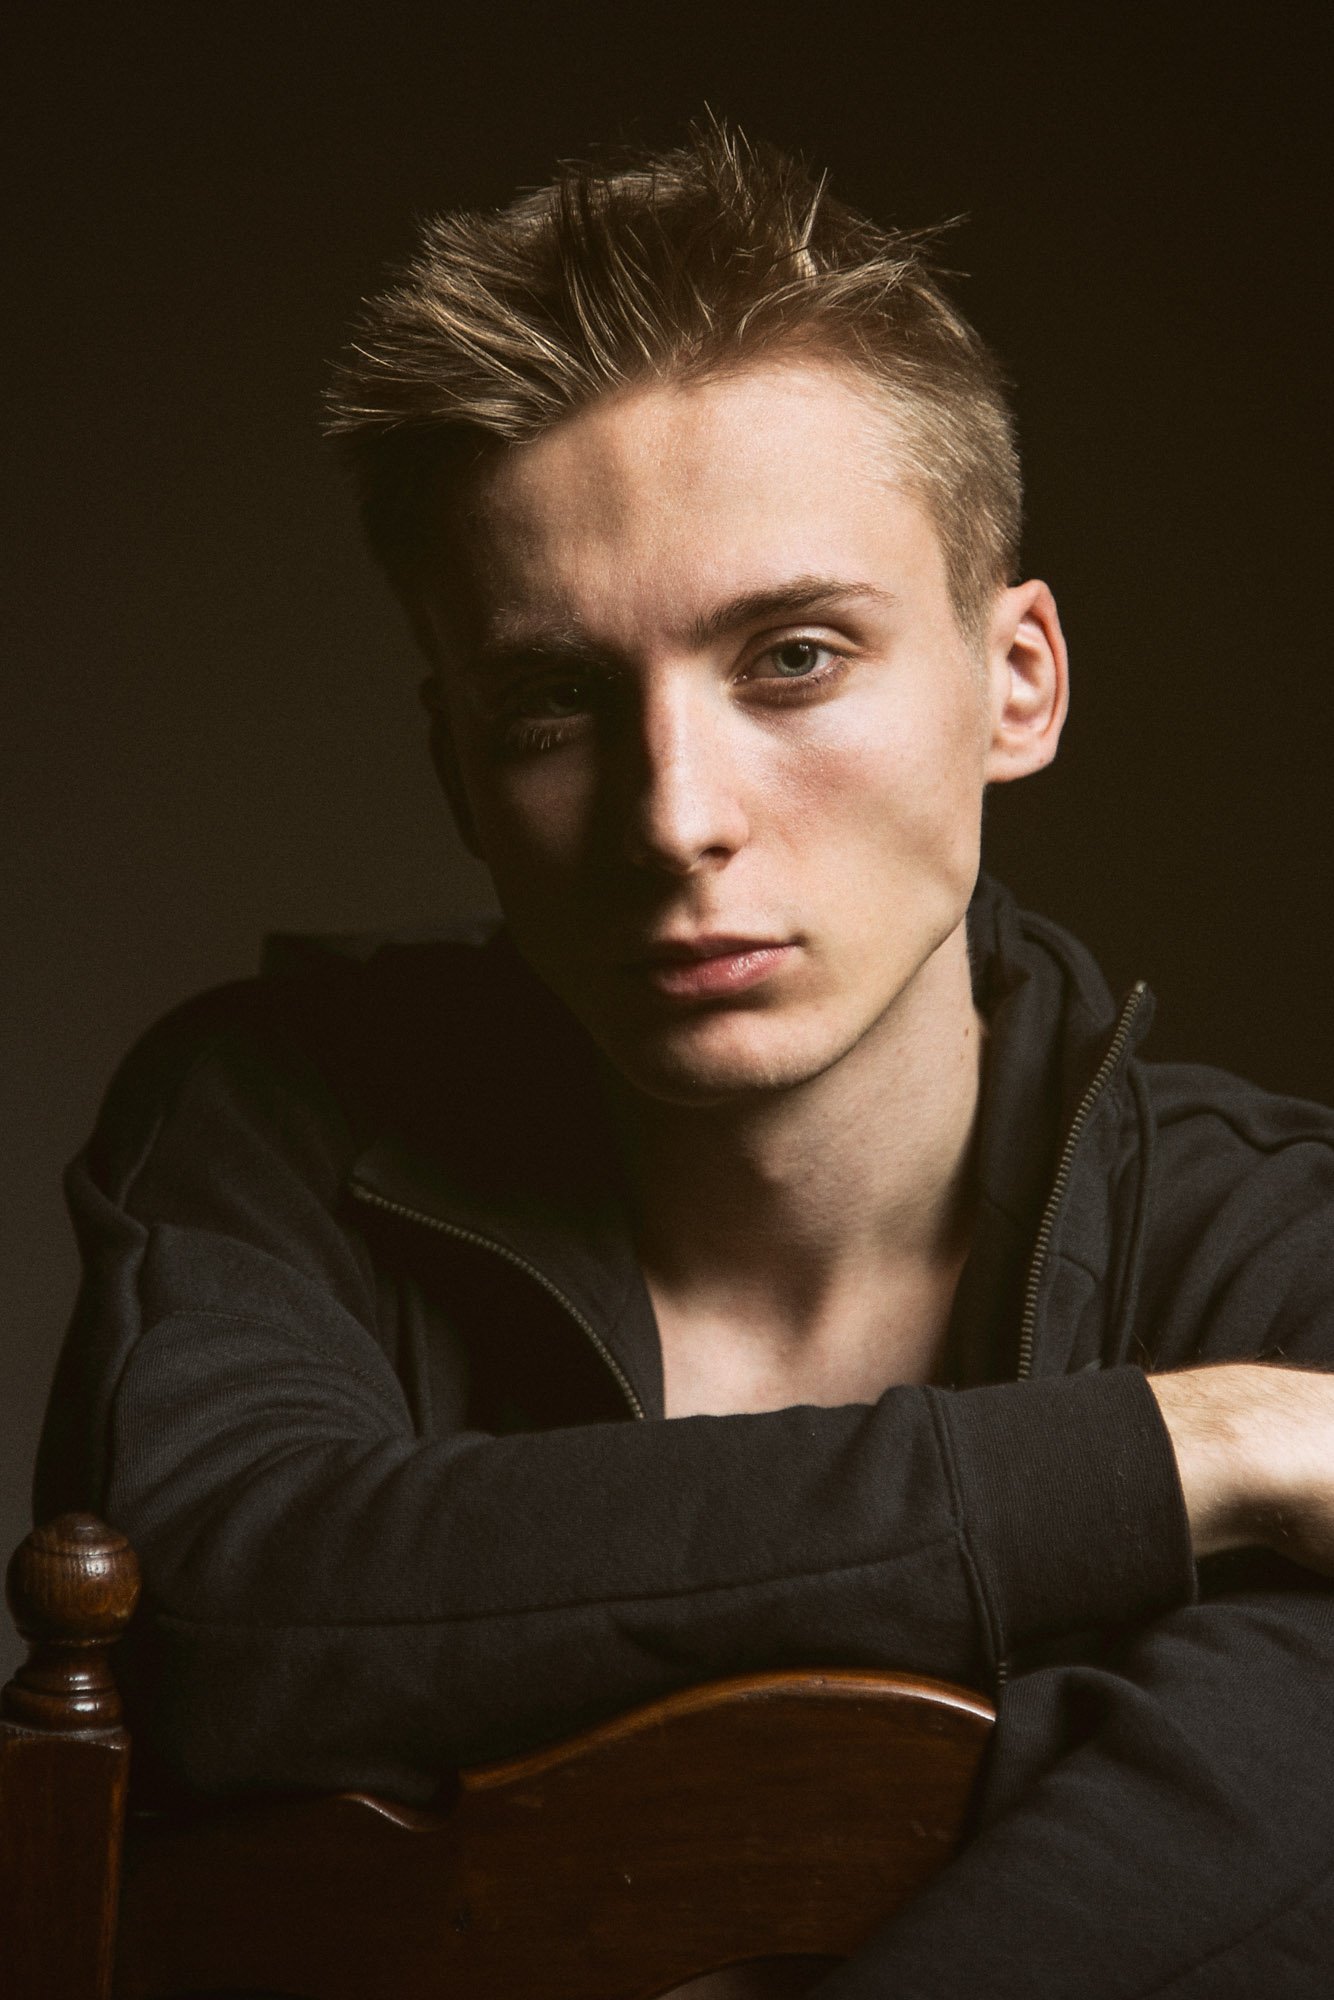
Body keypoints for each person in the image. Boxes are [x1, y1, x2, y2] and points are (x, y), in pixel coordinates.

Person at [35, 121, 1334, 1995]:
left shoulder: (1282, 1248)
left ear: (1016, 682)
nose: (673, 816)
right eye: (552, 703)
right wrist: (1194, 1448)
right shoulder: (270, 1122)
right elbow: (225, 1619)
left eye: (792, 657)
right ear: (455, 770)